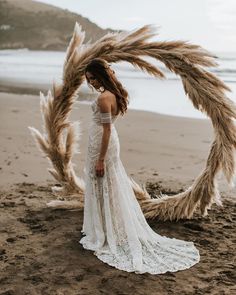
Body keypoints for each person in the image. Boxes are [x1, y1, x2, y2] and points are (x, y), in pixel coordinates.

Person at [79, 58, 200, 274]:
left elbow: (106, 130)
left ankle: (106, 231)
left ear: (102, 75)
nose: (92, 82)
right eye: (89, 79)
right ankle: (106, 227)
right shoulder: (113, 94)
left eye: (94, 78)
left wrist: (100, 159)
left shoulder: (104, 98)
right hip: (103, 142)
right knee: (107, 184)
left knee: (104, 182)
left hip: (103, 145)